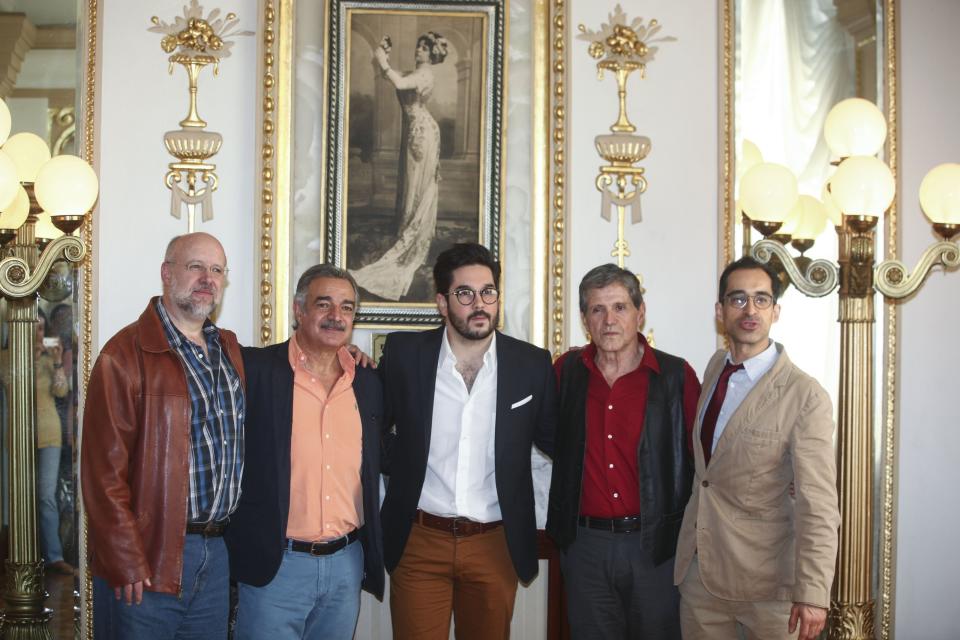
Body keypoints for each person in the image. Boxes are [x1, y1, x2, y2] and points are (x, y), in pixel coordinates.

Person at [379, 242, 557, 639]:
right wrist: (402, 460)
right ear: (442, 303)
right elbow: (369, 426)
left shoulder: (531, 364)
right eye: (465, 293)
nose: (480, 304)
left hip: (495, 542)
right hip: (420, 539)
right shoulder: (406, 354)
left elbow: (558, 441)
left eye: (488, 292)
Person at [81, 232, 244, 639]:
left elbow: (290, 365)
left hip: (218, 552)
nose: (208, 278)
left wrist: (344, 355)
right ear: (166, 274)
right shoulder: (122, 356)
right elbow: (102, 476)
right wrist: (125, 558)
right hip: (150, 556)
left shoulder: (228, 349)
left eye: (217, 270)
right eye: (196, 267)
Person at [674, 256, 840, 640]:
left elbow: (819, 503)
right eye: (738, 299)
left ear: (776, 311)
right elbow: (709, 476)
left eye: (761, 300)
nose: (750, 310)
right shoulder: (716, 367)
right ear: (720, 311)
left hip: (770, 587)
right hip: (700, 577)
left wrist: (814, 593)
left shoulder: (805, 395)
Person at [226, 264, 384, 640]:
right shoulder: (257, 370)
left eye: (347, 308)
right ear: (299, 310)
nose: (336, 316)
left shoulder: (369, 383)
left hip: (346, 565)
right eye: (324, 304)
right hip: (276, 567)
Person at [546, 264, 700, 639]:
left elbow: (708, 459)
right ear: (584, 318)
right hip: (586, 548)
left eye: (620, 307)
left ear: (640, 312)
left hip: (655, 549)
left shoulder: (677, 377)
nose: (609, 320)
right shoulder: (566, 372)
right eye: (597, 310)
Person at [351, 31, 449, 300]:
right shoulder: (416, 73)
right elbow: (395, 79)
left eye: (422, 49)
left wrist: (383, 60)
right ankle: (406, 228)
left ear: (430, 54)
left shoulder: (425, 74)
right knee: (412, 185)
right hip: (416, 131)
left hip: (423, 132)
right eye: (417, 47)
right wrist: (385, 56)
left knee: (419, 186)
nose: (418, 52)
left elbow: (399, 81)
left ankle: (413, 235)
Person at [35, 308, 72, 575]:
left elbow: (62, 390)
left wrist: (57, 361)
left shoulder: (50, 360)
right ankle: (23, 555)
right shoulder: (7, 358)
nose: (37, 333)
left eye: (41, 328)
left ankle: (54, 557)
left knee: (47, 496)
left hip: (49, 433)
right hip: (17, 436)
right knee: (20, 497)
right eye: (32, 327)